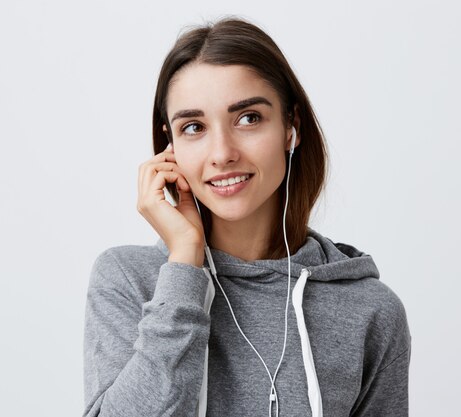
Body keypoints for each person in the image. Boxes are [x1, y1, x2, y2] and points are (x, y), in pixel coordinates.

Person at [83, 17, 411, 417]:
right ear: (169, 146)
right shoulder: (130, 279)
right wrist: (186, 261)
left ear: (292, 126)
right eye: (193, 127)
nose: (222, 153)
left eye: (248, 118)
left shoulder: (369, 309)